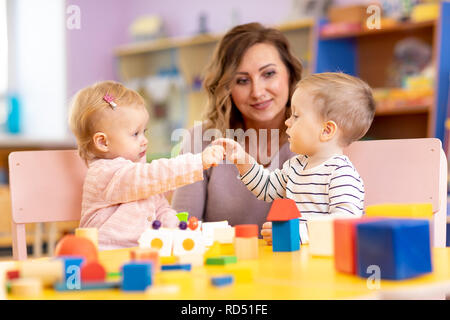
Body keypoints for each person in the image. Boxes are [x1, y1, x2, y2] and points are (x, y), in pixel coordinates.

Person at [171, 22, 303, 235]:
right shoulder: (202, 141)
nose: (257, 92)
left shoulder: (316, 140)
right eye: (242, 80)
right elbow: (180, 227)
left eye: (268, 74)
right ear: (227, 88)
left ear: (290, 74)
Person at [215, 72, 375, 244]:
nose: (287, 122)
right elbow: (267, 187)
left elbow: (346, 223)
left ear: (327, 130)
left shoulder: (341, 174)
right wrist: (243, 160)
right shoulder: (295, 165)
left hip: (325, 263)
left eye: (296, 116)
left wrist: (295, 232)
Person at [68, 81, 224, 250]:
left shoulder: (139, 176)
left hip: (142, 252)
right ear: (103, 142)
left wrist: (178, 229)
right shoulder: (104, 174)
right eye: (135, 134)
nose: (145, 141)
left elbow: (161, 208)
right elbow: (153, 175)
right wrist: (197, 162)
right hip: (107, 255)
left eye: (145, 132)